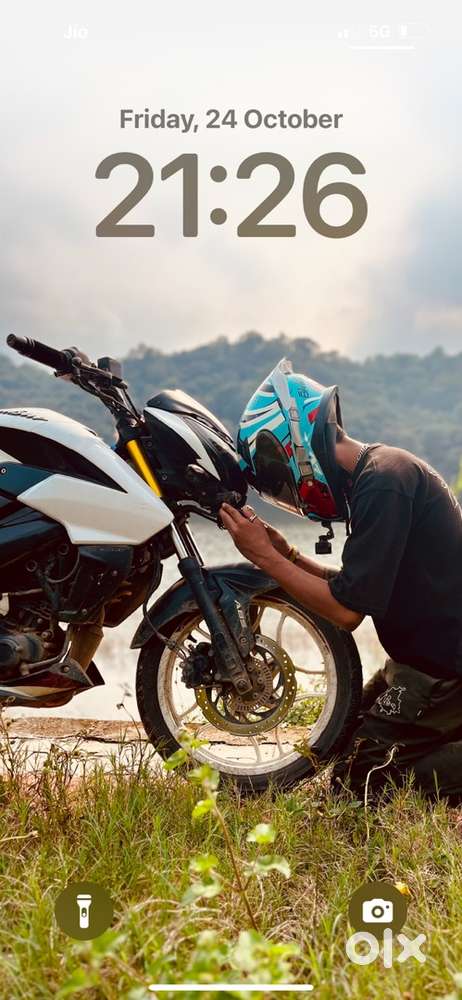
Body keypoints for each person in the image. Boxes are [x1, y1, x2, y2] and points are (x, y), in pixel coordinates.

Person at [220, 358, 462, 802]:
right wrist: (287, 554)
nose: (289, 493)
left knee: (359, 784)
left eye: (277, 473)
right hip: (417, 670)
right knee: (338, 747)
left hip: (443, 678)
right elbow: (355, 590)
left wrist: (264, 558)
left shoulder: (385, 483)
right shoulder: (379, 475)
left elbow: (347, 613)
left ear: (295, 444)